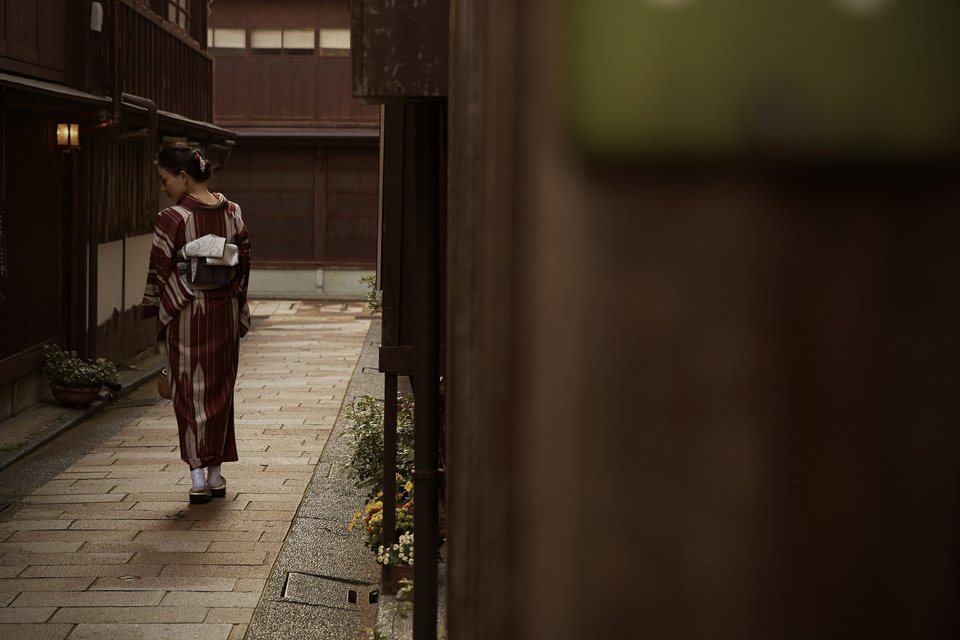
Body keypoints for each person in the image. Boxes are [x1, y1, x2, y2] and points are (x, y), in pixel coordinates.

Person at [140, 142, 251, 504]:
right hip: (224, 310)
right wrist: (239, 308)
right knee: (220, 391)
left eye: (165, 179)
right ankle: (216, 473)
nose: (163, 187)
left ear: (184, 177)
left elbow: (159, 269)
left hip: (188, 311)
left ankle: (198, 478)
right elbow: (244, 264)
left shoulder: (172, 218)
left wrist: (152, 306)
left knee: (188, 391)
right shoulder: (233, 212)